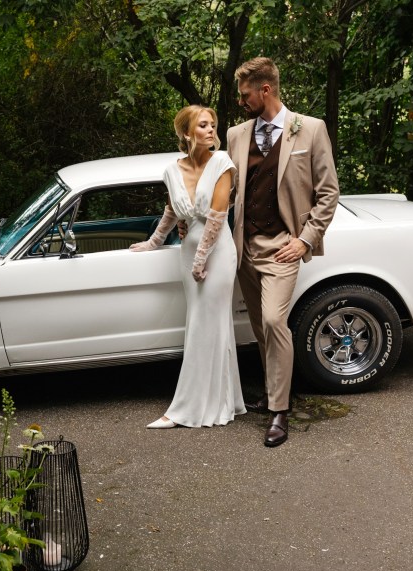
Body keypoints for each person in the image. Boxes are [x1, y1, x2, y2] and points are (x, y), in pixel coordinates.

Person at [227, 57, 339, 447]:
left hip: (283, 248)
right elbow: (228, 191)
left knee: (275, 321)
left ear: (265, 90)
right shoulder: (236, 135)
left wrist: (305, 239)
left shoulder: (310, 128)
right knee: (260, 327)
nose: (241, 101)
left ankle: (280, 410)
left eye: (245, 94)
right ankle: (270, 392)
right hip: (245, 249)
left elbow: (328, 193)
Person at [129, 105, 245, 429]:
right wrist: (154, 241)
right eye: (203, 125)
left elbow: (217, 216)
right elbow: (172, 210)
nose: (211, 130)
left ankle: (184, 409)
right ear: (186, 133)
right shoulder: (171, 170)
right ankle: (224, 401)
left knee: (206, 326)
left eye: (212, 125)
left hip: (217, 255)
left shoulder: (222, 163)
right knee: (201, 323)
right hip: (189, 254)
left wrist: (200, 259)